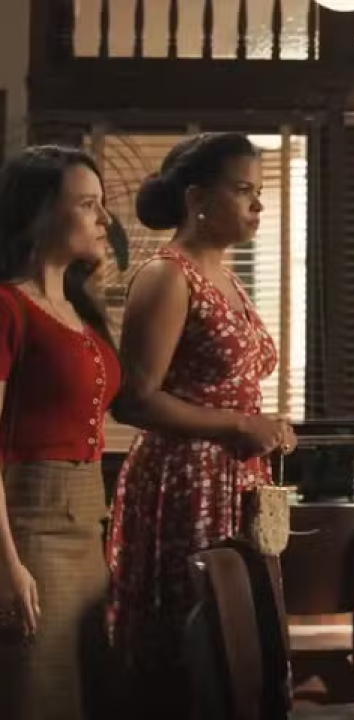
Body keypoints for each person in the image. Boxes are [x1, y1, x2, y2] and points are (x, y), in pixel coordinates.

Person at [106, 132, 296, 718]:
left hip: (236, 481)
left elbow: (228, 385)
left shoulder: (228, 277)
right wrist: (237, 424)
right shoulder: (168, 275)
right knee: (192, 650)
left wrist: (263, 425)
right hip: (184, 481)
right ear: (196, 199)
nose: (257, 204)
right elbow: (133, 401)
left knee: (239, 649)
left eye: (259, 191)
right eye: (242, 190)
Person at [0, 146, 121, 720]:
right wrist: (6, 564)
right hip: (30, 530)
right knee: (37, 695)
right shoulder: (8, 307)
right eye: (88, 204)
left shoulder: (80, 310)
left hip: (88, 524)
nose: (105, 219)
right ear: (41, 212)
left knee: (88, 693)